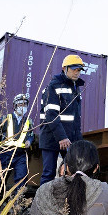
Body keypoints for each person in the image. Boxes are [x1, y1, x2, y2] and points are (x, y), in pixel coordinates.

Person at [39, 54, 85, 185]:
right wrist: (62, 137)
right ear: (64, 68)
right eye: (74, 69)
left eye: (79, 69)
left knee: (73, 172)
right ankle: (42, 204)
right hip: (52, 138)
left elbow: (75, 119)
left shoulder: (75, 89)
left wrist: (78, 140)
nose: (77, 72)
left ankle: (68, 203)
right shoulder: (53, 86)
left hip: (69, 139)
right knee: (48, 173)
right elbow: (51, 115)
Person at [0, 94, 33, 189]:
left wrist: (29, 141)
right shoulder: (6, 118)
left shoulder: (28, 121)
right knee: (0, 180)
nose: (23, 107)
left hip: (20, 154)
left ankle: (18, 202)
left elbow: (31, 135)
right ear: (15, 106)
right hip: (5, 152)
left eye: (25, 104)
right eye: (20, 104)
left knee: (21, 180)